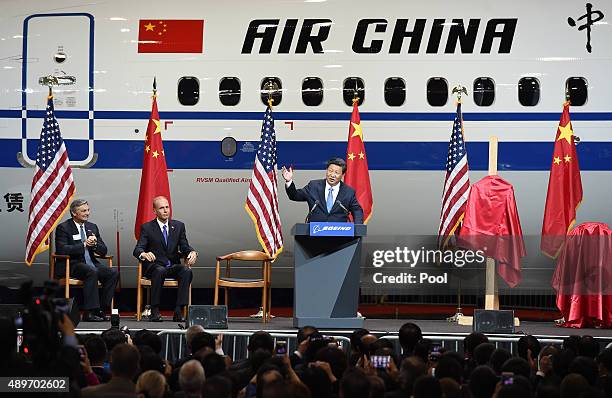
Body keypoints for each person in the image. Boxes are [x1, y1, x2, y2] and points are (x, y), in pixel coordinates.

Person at [133, 196, 197, 322]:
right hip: (155, 266)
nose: (165, 210)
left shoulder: (178, 226)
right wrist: (143, 254)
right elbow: (137, 249)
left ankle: (179, 310)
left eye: (167, 207)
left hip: (172, 266)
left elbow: (184, 246)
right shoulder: (147, 227)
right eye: (161, 208)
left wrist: (192, 252)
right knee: (160, 270)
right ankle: (155, 310)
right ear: (154, 211)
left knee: (186, 271)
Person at [55, 199, 119, 322]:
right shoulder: (64, 228)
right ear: (74, 213)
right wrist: (83, 244)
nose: (87, 213)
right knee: (91, 271)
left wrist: (95, 244)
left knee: (113, 273)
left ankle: (100, 309)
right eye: (83, 211)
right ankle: (88, 312)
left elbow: (103, 251)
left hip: (91, 263)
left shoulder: (92, 227)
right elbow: (62, 249)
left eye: (88, 210)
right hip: (72, 264)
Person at [282, 158, 363, 223]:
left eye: (336, 172)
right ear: (326, 170)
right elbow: (295, 195)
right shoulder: (313, 186)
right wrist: (289, 181)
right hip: (314, 236)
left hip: (339, 237)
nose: (332, 175)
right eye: (330, 171)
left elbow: (357, 210)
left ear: (342, 175)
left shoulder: (348, 192)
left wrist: (357, 228)